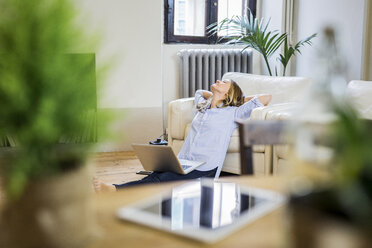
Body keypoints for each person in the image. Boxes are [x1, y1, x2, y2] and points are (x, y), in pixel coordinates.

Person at [94, 79, 271, 192]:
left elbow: (266, 97)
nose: (218, 80)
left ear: (229, 93)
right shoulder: (202, 107)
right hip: (185, 161)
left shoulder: (234, 113)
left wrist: (239, 99)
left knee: (160, 179)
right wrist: (216, 97)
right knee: (156, 174)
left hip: (204, 169)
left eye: (224, 82)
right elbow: (199, 92)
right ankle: (122, 194)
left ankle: (114, 190)